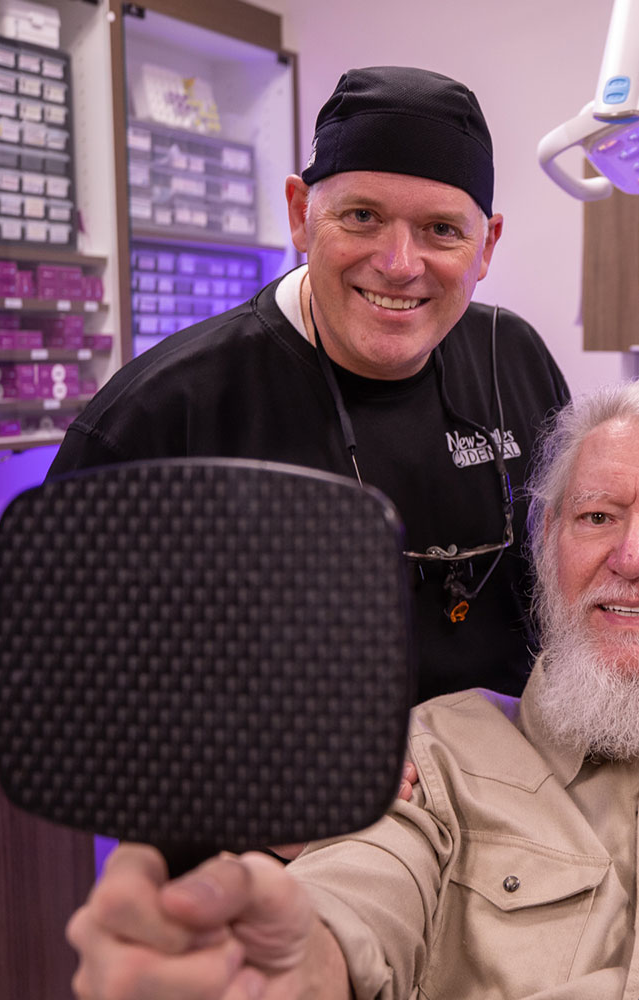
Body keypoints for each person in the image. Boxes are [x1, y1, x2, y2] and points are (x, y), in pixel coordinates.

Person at [62, 377, 639, 1000]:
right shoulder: (434, 757)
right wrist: (295, 957)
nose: (633, 557)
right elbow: (359, 897)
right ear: (546, 548)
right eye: (597, 516)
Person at [52, 66, 569, 704]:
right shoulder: (160, 417)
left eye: (442, 230)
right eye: (361, 216)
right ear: (301, 215)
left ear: (485, 246)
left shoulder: (514, 359)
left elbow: (574, 580)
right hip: (282, 796)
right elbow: (49, 688)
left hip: (509, 780)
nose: (399, 265)